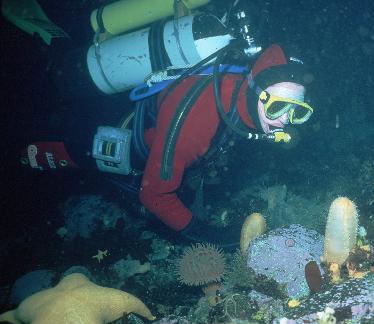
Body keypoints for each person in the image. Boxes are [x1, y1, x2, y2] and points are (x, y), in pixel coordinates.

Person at [20, 43, 314, 246]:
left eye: (297, 111)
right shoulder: (197, 126)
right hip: (120, 135)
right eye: (276, 107)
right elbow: (154, 195)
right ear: (254, 91)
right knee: (67, 150)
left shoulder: (238, 89)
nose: (285, 121)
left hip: (161, 134)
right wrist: (208, 234)